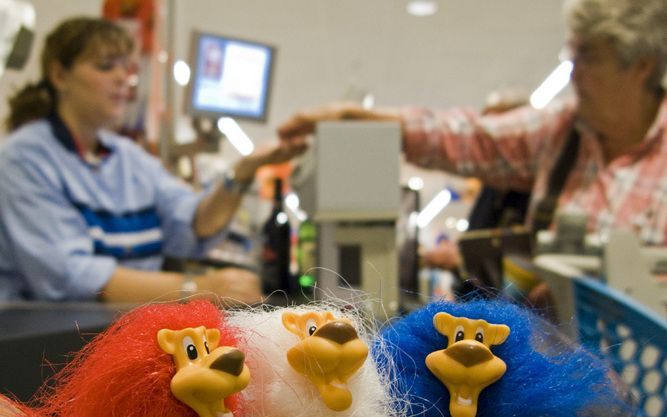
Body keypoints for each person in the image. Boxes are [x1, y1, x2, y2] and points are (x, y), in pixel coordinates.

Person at [278, 0, 667, 308]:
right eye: (573, 53)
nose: (574, 71)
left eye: (589, 56)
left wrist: (589, 297)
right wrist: (359, 118)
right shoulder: (564, 133)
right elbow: (468, 136)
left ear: (640, 66)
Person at [0, 17, 307, 304]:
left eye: (126, 68)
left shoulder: (127, 158)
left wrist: (246, 168)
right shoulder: (24, 158)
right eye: (106, 67)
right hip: (45, 344)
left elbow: (193, 224)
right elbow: (68, 275)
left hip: (122, 327)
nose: (123, 78)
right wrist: (198, 288)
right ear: (59, 75)